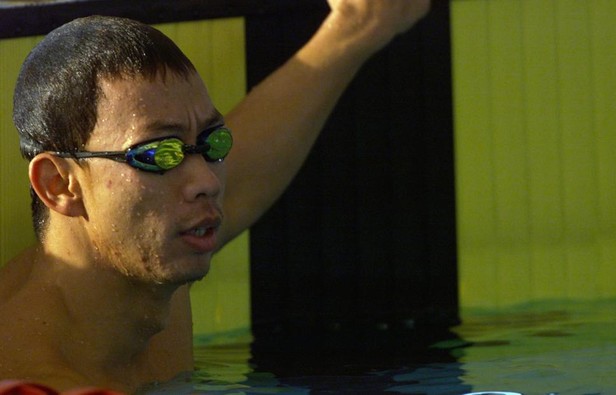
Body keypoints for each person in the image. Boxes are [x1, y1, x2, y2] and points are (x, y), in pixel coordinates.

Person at [0, 0, 430, 393]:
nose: (205, 180)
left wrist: (359, 25)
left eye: (212, 144)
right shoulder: (32, 379)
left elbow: (245, 176)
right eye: (158, 154)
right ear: (60, 185)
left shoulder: (145, 257)